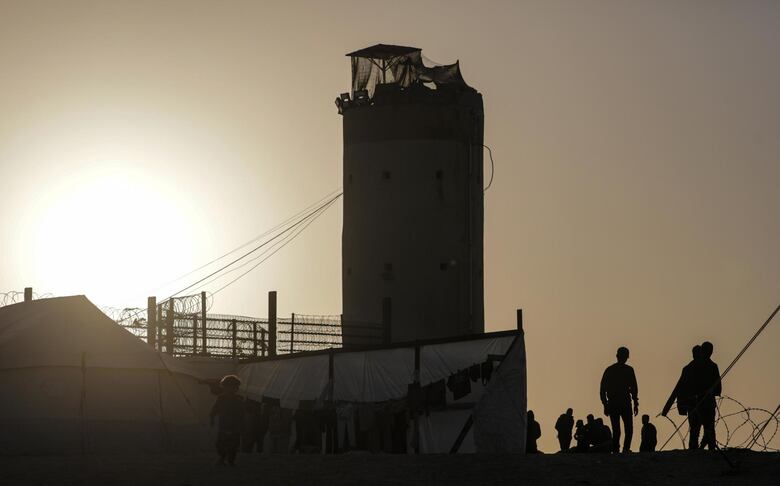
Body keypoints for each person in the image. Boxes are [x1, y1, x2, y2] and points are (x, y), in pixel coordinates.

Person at [661, 345, 703, 449]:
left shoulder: (690, 368)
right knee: (696, 428)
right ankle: (696, 449)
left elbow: (677, 389)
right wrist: (666, 408)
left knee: (696, 428)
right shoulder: (690, 369)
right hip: (694, 403)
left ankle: (696, 448)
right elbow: (678, 388)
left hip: (699, 402)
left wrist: (666, 408)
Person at [600, 346, 639, 453]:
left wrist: (605, 404)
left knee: (617, 429)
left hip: (615, 403)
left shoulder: (610, 370)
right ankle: (624, 449)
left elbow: (602, 390)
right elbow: (634, 388)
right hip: (623, 402)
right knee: (627, 429)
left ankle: (617, 449)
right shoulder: (628, 370)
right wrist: (635, 403)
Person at [691, 341, 721, 450]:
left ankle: (703, 448)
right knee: (703, 428)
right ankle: (704, 448)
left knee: (704, 428)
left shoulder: (698, 366)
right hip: (701, 401)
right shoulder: (709, 366)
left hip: (703, 402)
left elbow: (718, 386)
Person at [210, 375, 245, 466]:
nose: (230, 389)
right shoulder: (221, 398)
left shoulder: (239, 399)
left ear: (236, 388)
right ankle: (222, 457)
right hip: (224, 425)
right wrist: (212, 418)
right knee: (221, 443)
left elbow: (242, 412)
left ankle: (230, 460)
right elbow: (214, 409)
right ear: (224, 387)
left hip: (234, 426)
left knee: (233, 444)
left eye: (233, 387)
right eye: (228, 387)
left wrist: (242, 424)